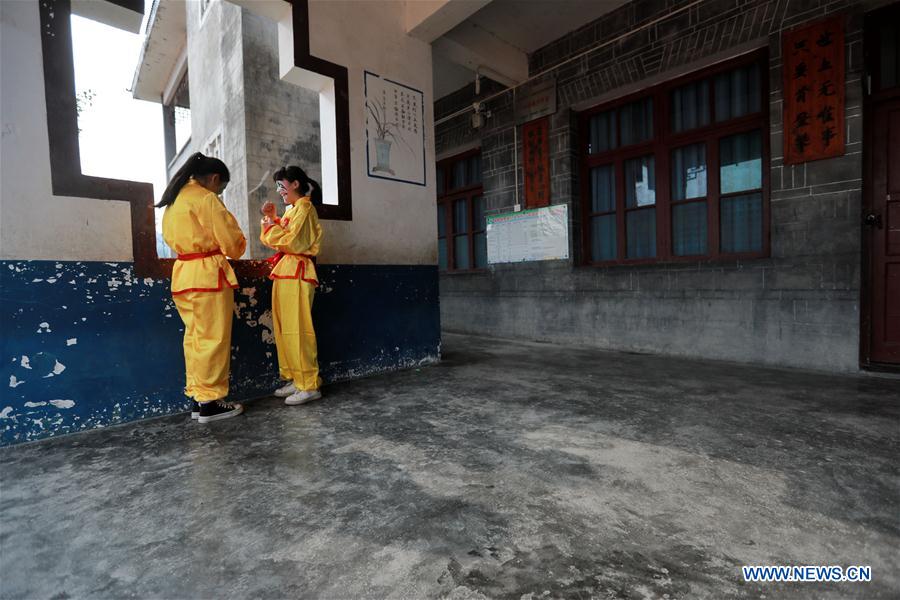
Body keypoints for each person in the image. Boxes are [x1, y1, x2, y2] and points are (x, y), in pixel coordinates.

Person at [158, 152, 247, 423]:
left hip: (184, 275)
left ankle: (199, 397)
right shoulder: (205, 199)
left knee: (195, 339)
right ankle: (211, 402)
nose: (219, 193)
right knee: (213, 339)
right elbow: (233, 244)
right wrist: (236, 245)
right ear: (215, 179)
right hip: (208, 275)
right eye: (221, 188)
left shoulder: (175, 201)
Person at [259, 166, 324, 406]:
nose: (279, 191)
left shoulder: (305, 208)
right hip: (286, 270)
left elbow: (292, 241)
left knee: (299, 328)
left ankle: (308, 384)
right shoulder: (292, 211)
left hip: (297, 270)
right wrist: (273, 219)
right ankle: (296, 378)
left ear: (295, 184)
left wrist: (272, 225)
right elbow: (273, 239)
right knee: (285, 327)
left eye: (281, 185)